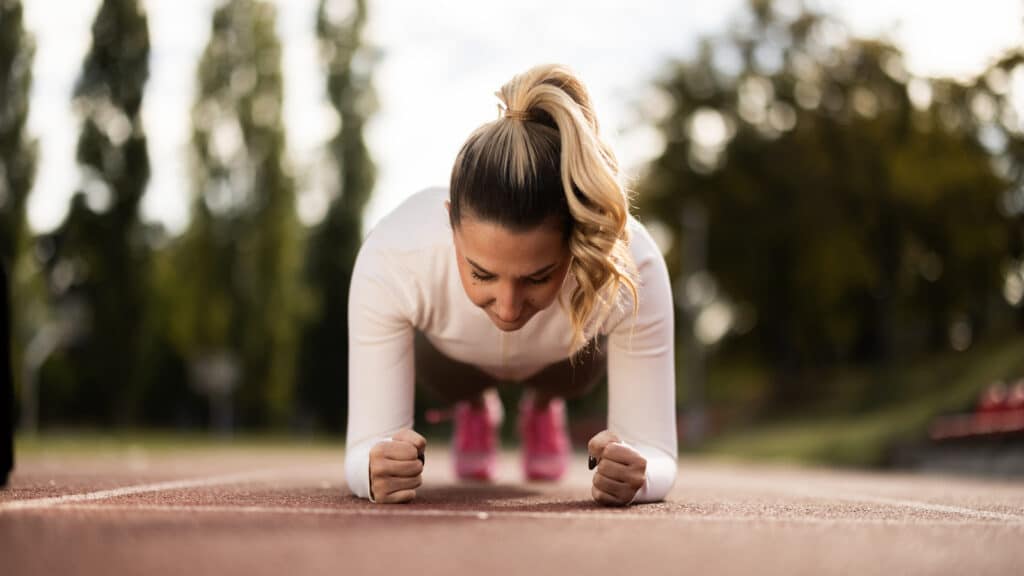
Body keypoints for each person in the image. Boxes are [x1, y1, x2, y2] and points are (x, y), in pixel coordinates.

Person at [344, 63, 677, 506]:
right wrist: (373, 468)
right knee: (444, 366)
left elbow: (656, 453)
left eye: (538, 276)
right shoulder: (392, 255)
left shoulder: (631, 264)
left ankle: (542, 404)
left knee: (586, 345)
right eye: (482, 273)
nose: (507, 308)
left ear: (575, 241)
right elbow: (363, 446)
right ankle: (476, 405)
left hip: (563, 364)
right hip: (453, 364)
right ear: (450, 224)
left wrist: (638, 474)